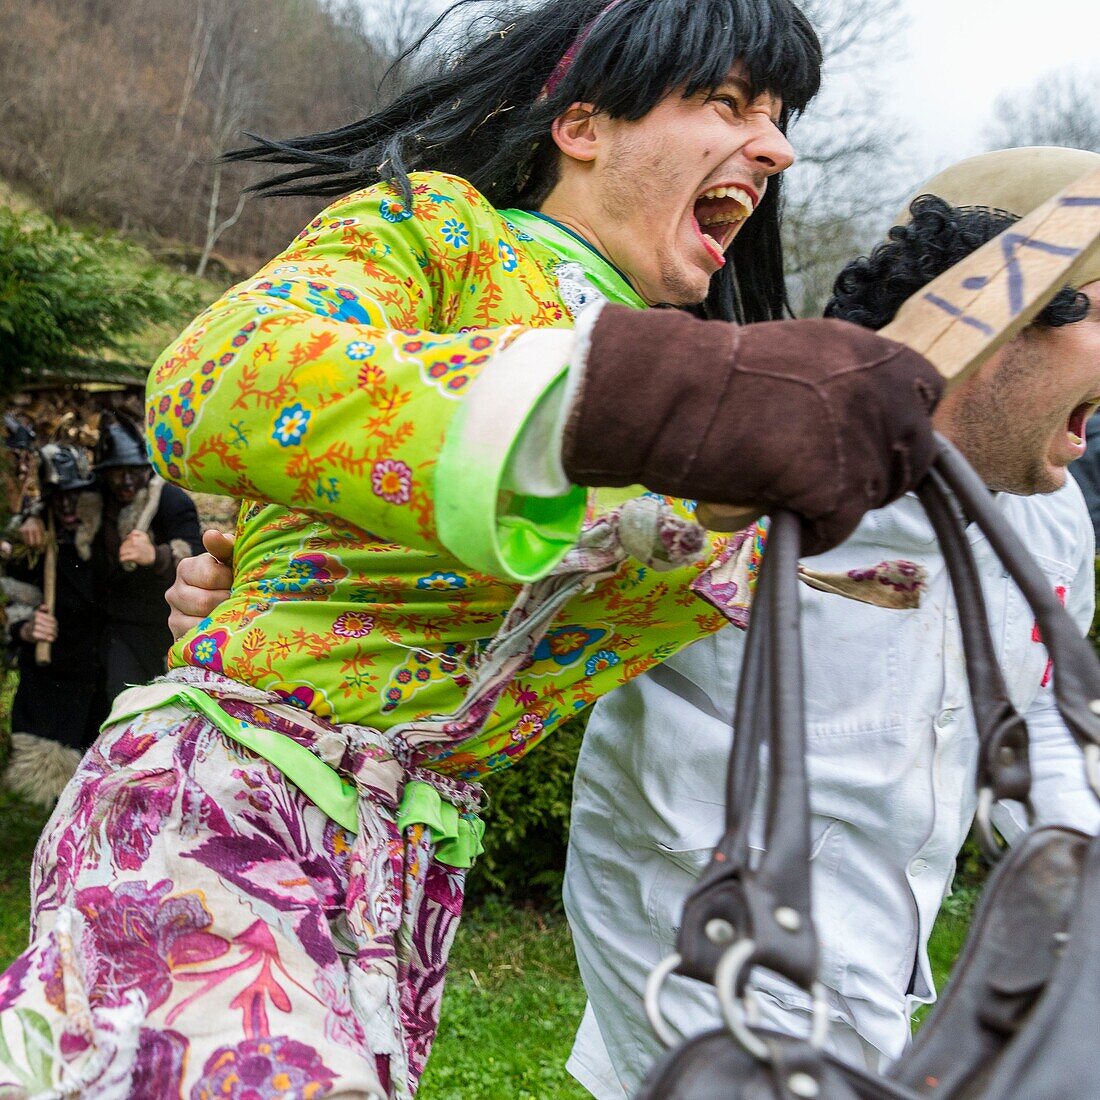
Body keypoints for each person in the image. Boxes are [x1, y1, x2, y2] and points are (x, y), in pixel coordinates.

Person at [0, 2, 944, 1096]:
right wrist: (622, 400)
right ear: (581, 125)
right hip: (225, 797)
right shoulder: (443, 234)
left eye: (779, 118)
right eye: (729, 102)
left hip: (406, 873)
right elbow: (220, 375)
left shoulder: (705, 397)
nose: (776, 146)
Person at [560, 146, 1100, 1097]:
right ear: (1008, 316)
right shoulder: (753, 466)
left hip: (888, 990)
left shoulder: (1052, 525)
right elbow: (507, 580)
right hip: (699, 959)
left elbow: (1042, 720)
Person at [3, 444, 107, 805]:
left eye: (74, 495)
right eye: (57, 496)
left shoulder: (105, 524)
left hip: (100, 654)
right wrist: (24, 628)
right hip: (52, 660)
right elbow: (9, 599)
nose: (66, 506)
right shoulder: (32, 535)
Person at [92, 413, 203, 703]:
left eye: (133, 471)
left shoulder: (171, 501)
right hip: (119, 628)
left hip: (165, 627)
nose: (126, 480)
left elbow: (197, 559)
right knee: (120, 700)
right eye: (118, 472)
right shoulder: (96, 501)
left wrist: (158, 556)